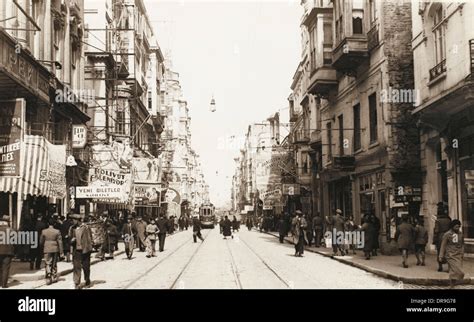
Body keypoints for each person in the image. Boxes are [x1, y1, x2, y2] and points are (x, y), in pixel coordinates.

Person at [69, 214, 93, 289]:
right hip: (76, 251)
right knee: (76, 267)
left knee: (86, 267)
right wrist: (71, 240)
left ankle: (87, 279)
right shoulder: (72, 228)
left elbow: (90, 237)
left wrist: (89, 247)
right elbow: (69, 239)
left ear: (78, 220)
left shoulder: (86, 227)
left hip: (85, 250)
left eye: (73, 220)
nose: (72, 222)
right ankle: (77, 283)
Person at [439, 219, 465, 288]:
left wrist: (462, 253)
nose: (457, 228)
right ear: (452, 226)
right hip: (450, 255)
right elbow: (443, 245)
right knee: (459, 271)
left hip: (458, 254)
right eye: (456, 227)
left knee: (453, 271)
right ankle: (452, 285)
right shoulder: (447, 234)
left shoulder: (461, 234)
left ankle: (452, 286)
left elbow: (462, 244)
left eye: (458, 227)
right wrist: (441, 256)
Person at [40, 219, 64, 285]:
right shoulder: (57, 231)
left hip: (47, 248)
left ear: (48, 224)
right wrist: (61, 252)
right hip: (55, 249)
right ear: (54, 224)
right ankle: (54, 276)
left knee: (47, 263)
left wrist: (42, 248)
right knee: (54, 263)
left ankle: (48, 276)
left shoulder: (44, 231)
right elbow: (60, 242)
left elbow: (41, 242)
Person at [433, 202, 451, 272]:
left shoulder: (438, 220)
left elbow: (436, 231)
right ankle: (449, 267)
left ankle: (440, 266)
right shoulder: (449, 219)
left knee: (440, 251)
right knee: (448, 252)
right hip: (448, 236)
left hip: (440, 237)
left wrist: (434, 239)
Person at [0, 216, 14, 288]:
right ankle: (4, 284)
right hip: (8, 252)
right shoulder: (11, 230)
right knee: (5, 268)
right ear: (7, 222)